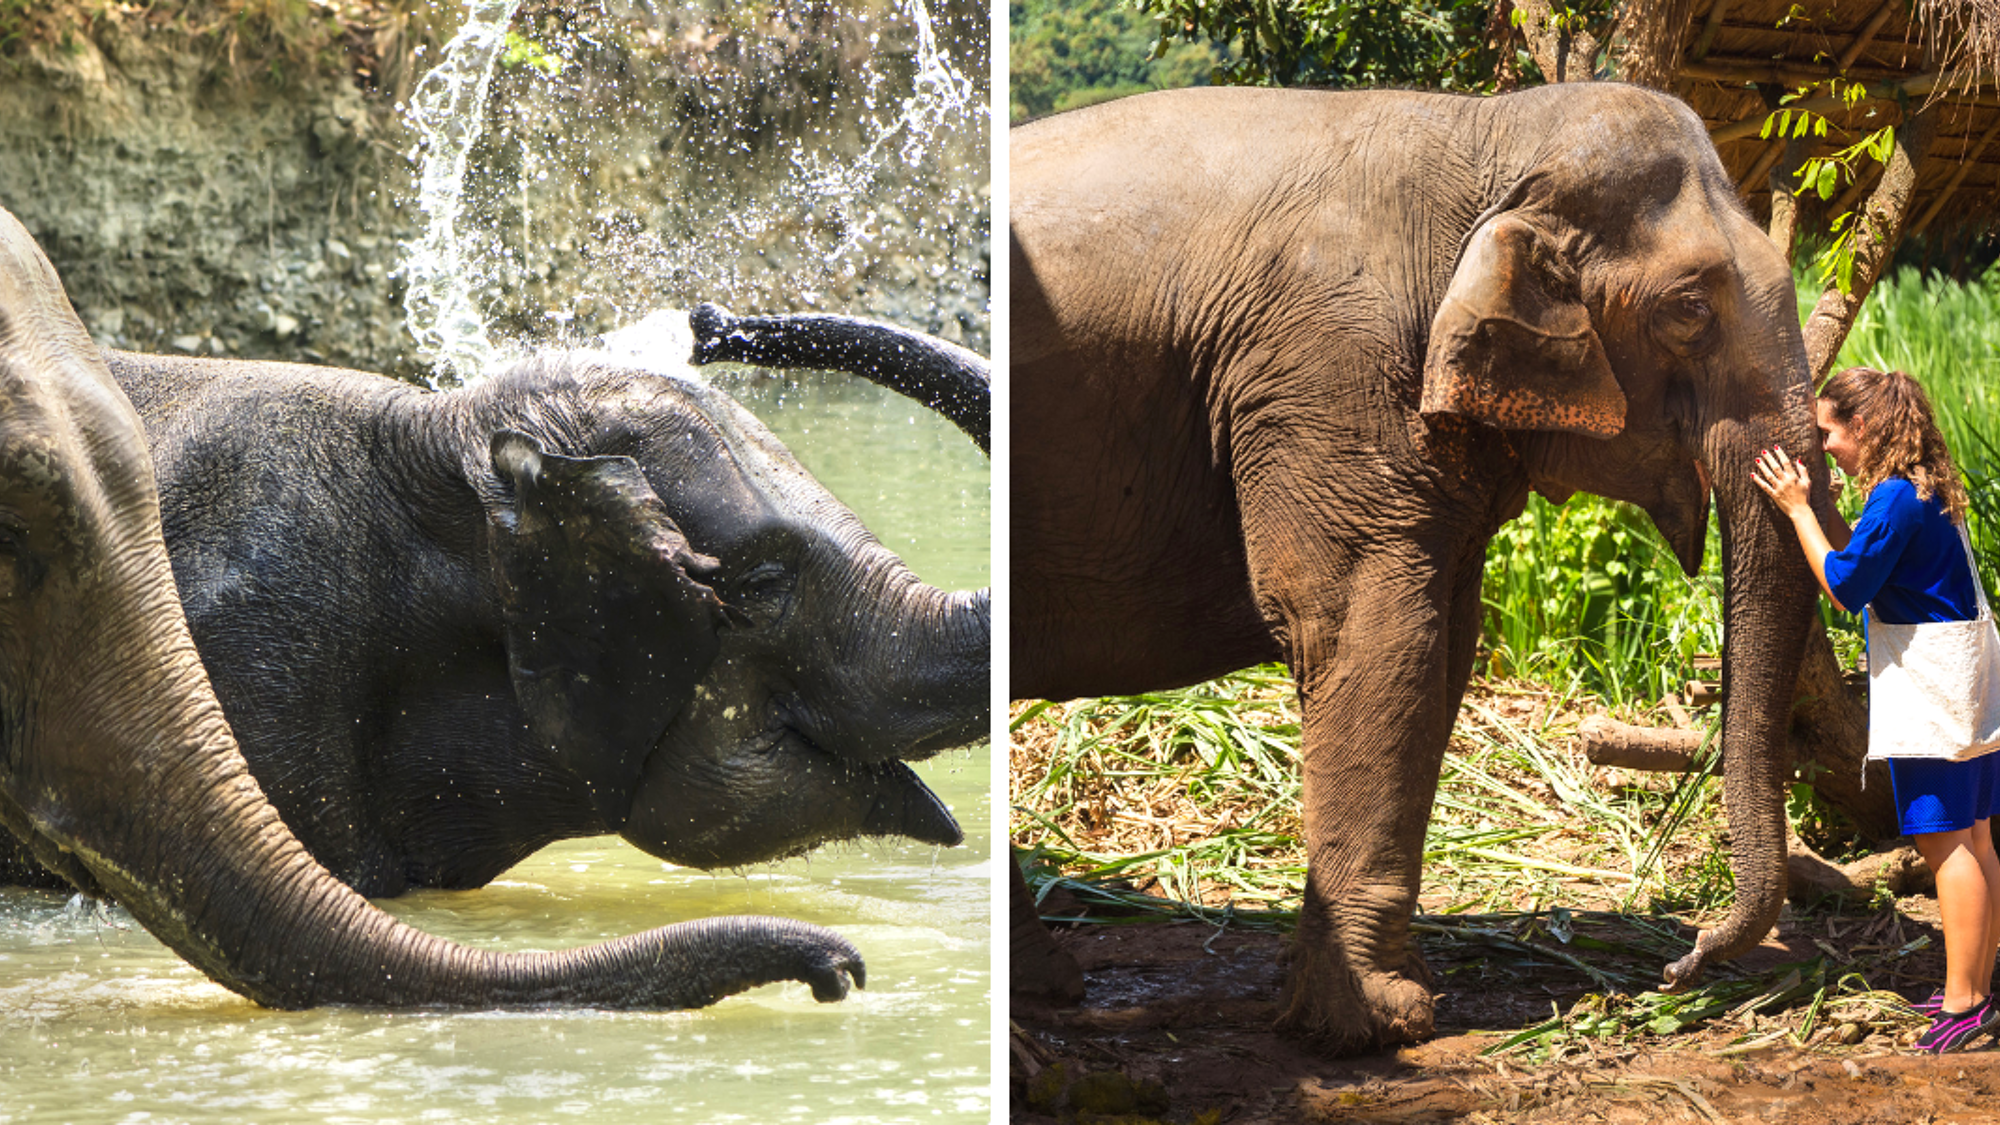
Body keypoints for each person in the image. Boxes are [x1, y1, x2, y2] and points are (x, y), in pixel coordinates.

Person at [1753, 365, 2000, 1055]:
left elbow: (1846, 583)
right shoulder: (1923, 486)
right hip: (1971, 676)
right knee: (1976, 836)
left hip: (1937, 688)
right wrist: (1827, 505)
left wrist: (1800, 507)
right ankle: (1976, 988)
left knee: (1946, 841)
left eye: (1829, 430)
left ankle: (1966, 1003)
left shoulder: (1895, 497)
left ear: (1863, 426)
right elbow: (1870, 554)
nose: (1825, 444)